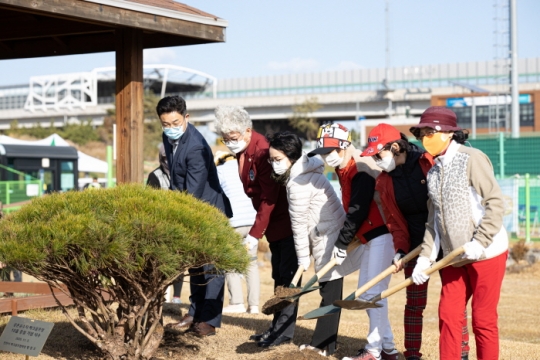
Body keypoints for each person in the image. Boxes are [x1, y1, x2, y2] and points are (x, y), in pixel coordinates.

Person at [362, 123, 470, 360]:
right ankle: (412, 354)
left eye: (379, 155)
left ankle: (461, 353)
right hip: (414, 245)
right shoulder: (384, 182)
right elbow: (394, 222)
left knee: (454, 302)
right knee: (414, 304)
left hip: (446, 241)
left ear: (396, 147)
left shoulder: (427, 161)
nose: (377, 161)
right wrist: (400, 249)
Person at [409, 106, 508, 360]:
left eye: (430, 131)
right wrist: (425, 258)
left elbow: (496, 203)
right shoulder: (433, 172)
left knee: (483, 319)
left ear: (449, 133)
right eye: (422, 133)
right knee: (448, 315)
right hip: (454, 255)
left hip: (487, 252)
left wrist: (480, 241)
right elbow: (434, 221)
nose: (425, 137)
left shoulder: (472, 158)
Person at [267, 131, 362, 357]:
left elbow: (298, 225)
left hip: (328, 237)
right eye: (271, 160)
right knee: (331, 291)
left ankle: (321, 345)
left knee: (330, 292)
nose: (274, 164)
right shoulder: (305, 172)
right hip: (329, 233)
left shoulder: (298, 183)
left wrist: (302, 258)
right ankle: (327, 343)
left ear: (291, 157)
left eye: (278, 159)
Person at [308, 123, 398, 360]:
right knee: (370, 294)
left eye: (330, 152)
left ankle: (373, 351)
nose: (327, 158)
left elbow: (357, 211)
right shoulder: (345, 166)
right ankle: (387, 350)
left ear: (345, 145)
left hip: (383, 233)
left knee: (371, 294)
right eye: (323, 153)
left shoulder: (360, 168)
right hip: (370, 236)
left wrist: (341, 244)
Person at [214, 105, 297, 348]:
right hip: (272, 225)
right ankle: (276, 327)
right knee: (277, 276)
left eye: (233, 137)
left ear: (247, 131)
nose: (229, 143)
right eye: (225, 138)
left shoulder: (262, 151)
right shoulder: (244, 151)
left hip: (284, 222)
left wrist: (254, 234)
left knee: (287, 279)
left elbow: (269, 198)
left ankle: (284, 331)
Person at [160, 95, 233, 338]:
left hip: (208, 210)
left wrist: (178, 218)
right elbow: (175, 179)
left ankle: (208, 321)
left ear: (186, 118)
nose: (170, 129)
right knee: (195, 268)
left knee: (212, 270)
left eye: (175, 123)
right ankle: (194, 312)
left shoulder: (197, 148)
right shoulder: (169, 137)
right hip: (190, 206)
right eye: (165, 124)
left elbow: (193, 191)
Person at [214, 151, 260, 315]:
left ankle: (236, 302)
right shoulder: (247, 168)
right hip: (253, 222)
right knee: (251, 264)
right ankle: (254, 305)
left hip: (233, 223)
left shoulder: (220, 170)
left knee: (231, 264)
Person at [146, 143, 183, 305]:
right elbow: (149, 203)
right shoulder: (154, 176)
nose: (168, 161)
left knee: (179, 264)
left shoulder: (184, 173)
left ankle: (176, 297)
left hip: (181, 226)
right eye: (164, 157)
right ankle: (159, 295)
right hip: (161, 227)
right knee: (160, 264)